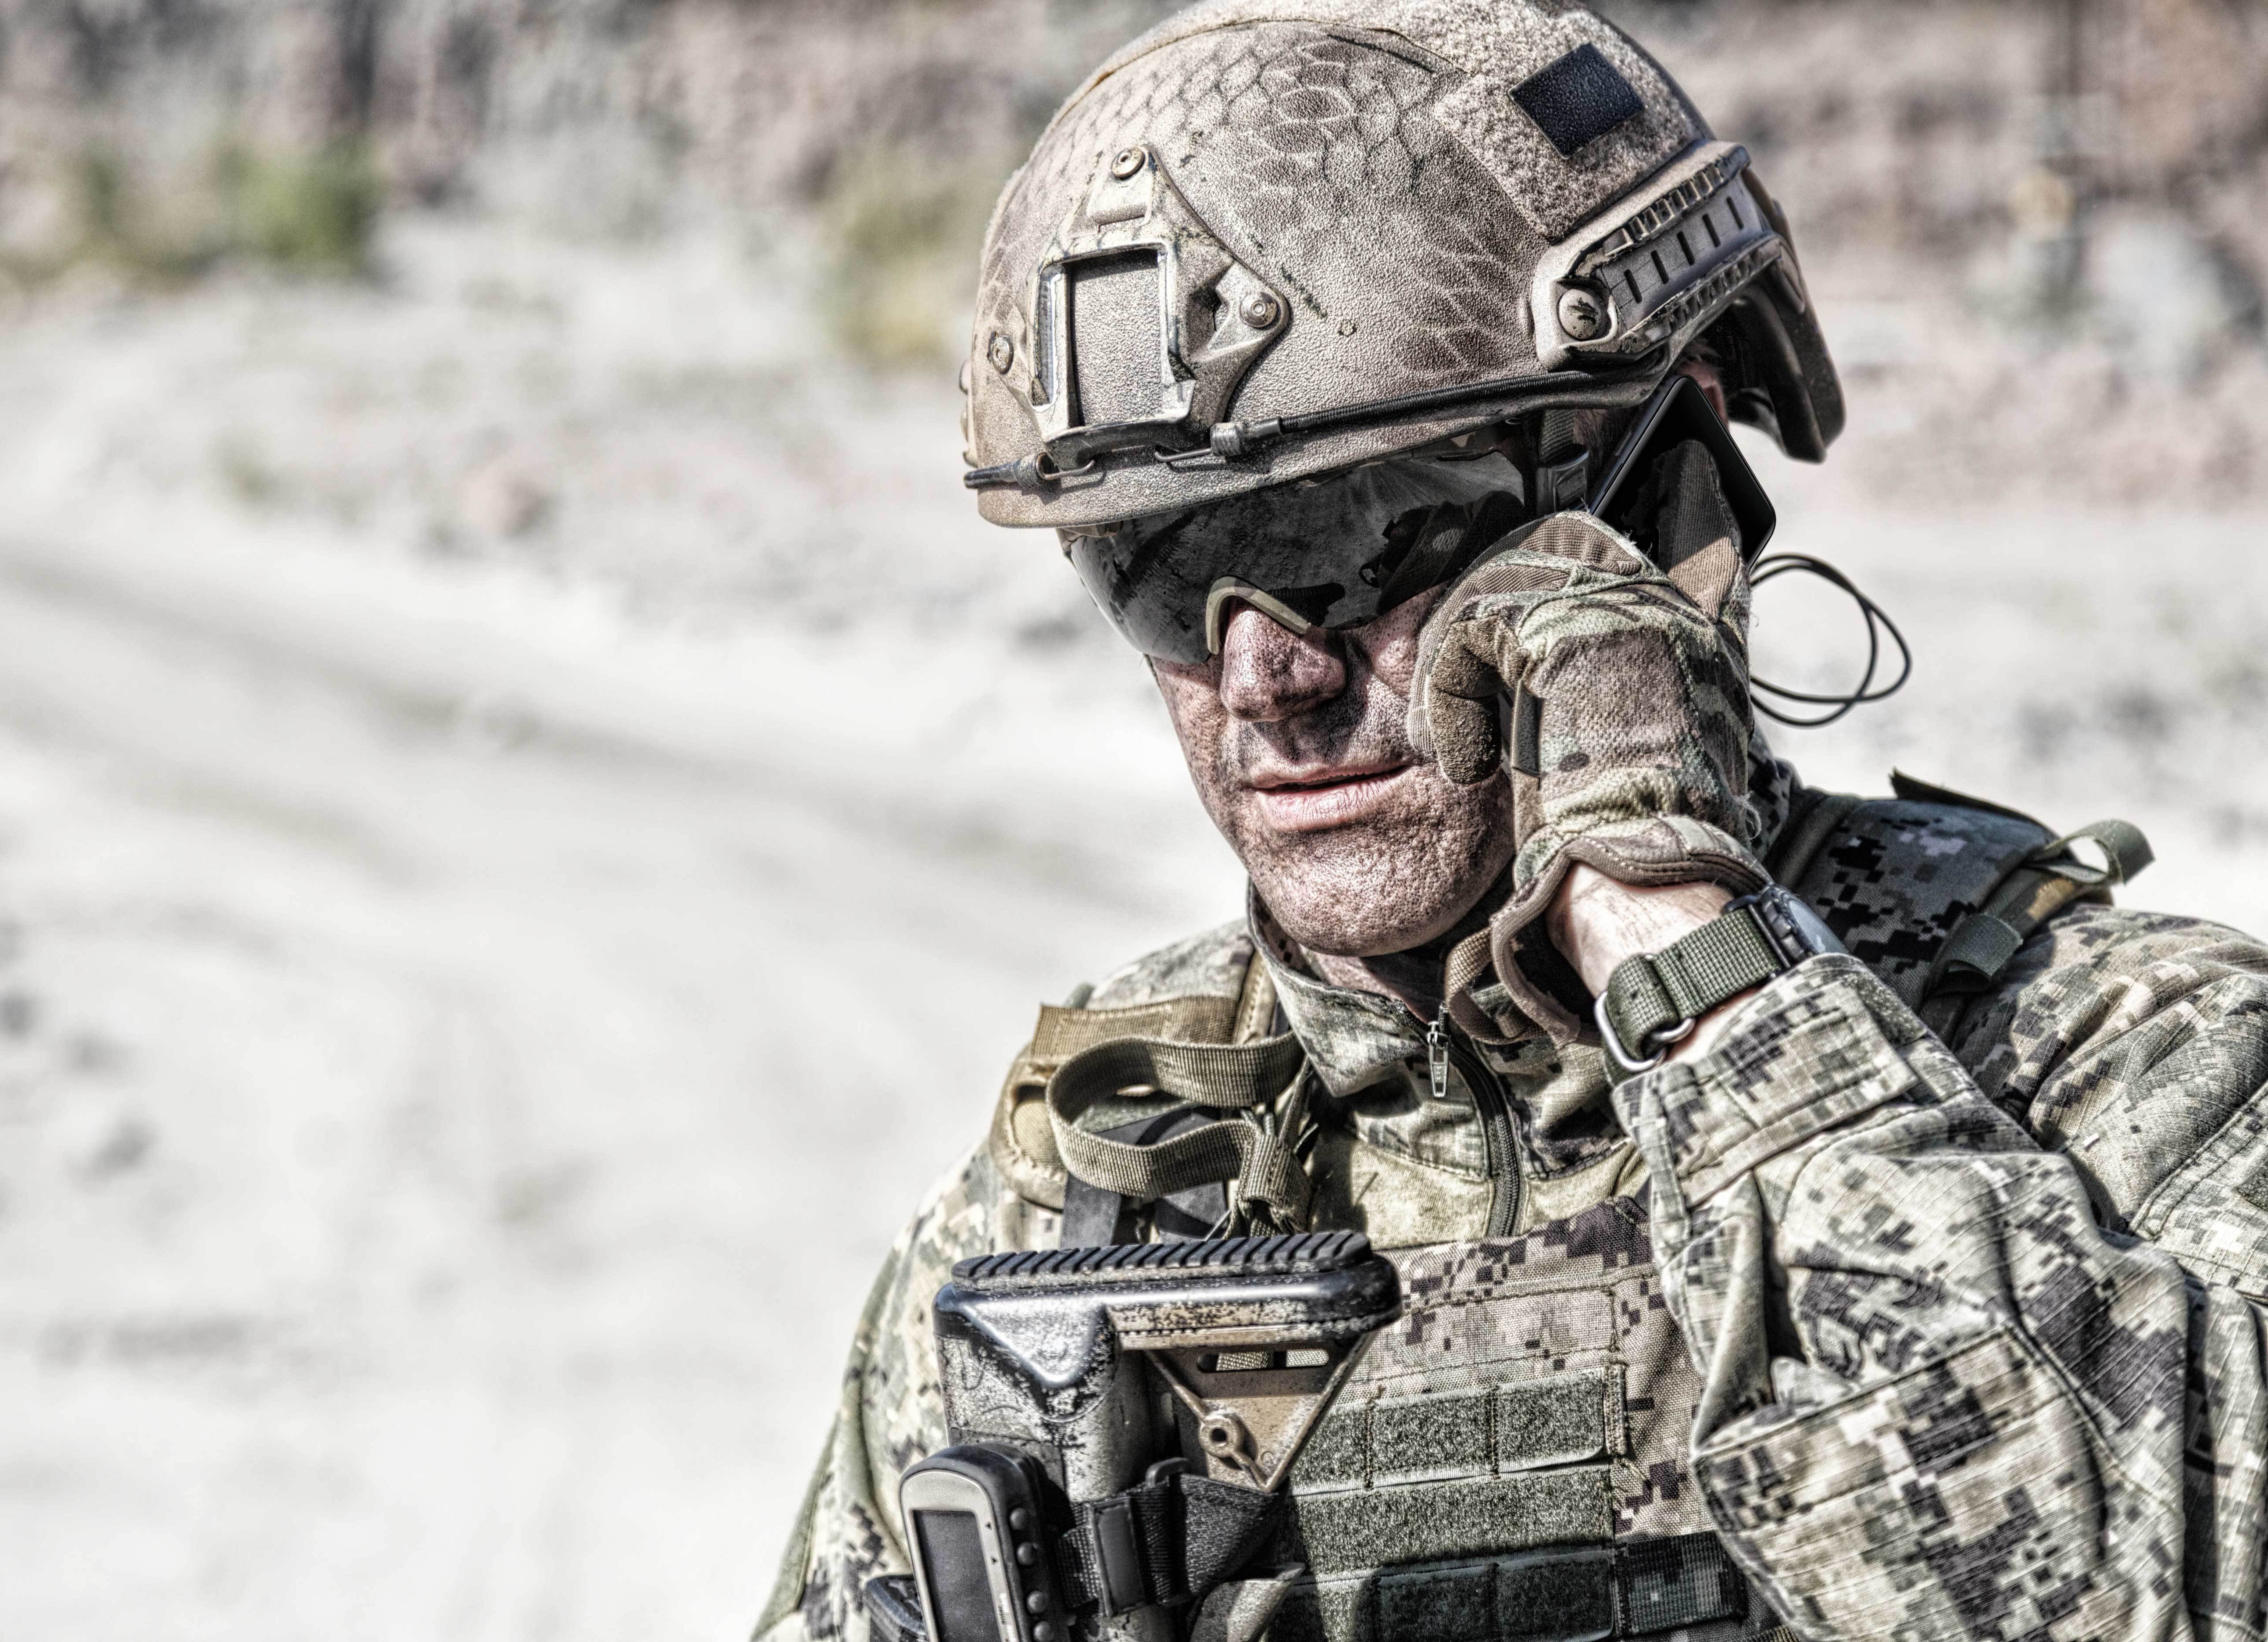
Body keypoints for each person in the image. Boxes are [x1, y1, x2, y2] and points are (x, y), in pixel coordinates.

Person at [755, 3, 2268, 1637]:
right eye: (1164, 571)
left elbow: (2122, 1600)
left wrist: (1680, 935)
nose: (1261, 669)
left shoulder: (2129, 1068)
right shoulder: (1082, 1186)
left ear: (1651, 503)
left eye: (1354, 530)